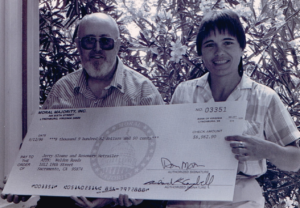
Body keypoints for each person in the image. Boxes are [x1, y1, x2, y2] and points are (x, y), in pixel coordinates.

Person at [1, 12, 165, 208]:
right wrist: (22, 182)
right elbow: (37, 148)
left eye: (105, 42)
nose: (97, 49)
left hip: (123, 201)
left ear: (118, 45)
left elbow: (162, 157)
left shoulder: (144, 92)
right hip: (66, 199)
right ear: (78, 45)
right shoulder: (61, 89)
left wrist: (134, 190)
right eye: (89, 42)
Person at [168, 9, 300, 208]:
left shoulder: (264, 97)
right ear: (201, 52)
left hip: (240, 196)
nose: (219, 52)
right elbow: (167, 148)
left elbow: (295, 161)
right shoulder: (184, 93)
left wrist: (266, 150)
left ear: (241, 47)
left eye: (227, 43)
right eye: (210, 45)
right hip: (187, 192)